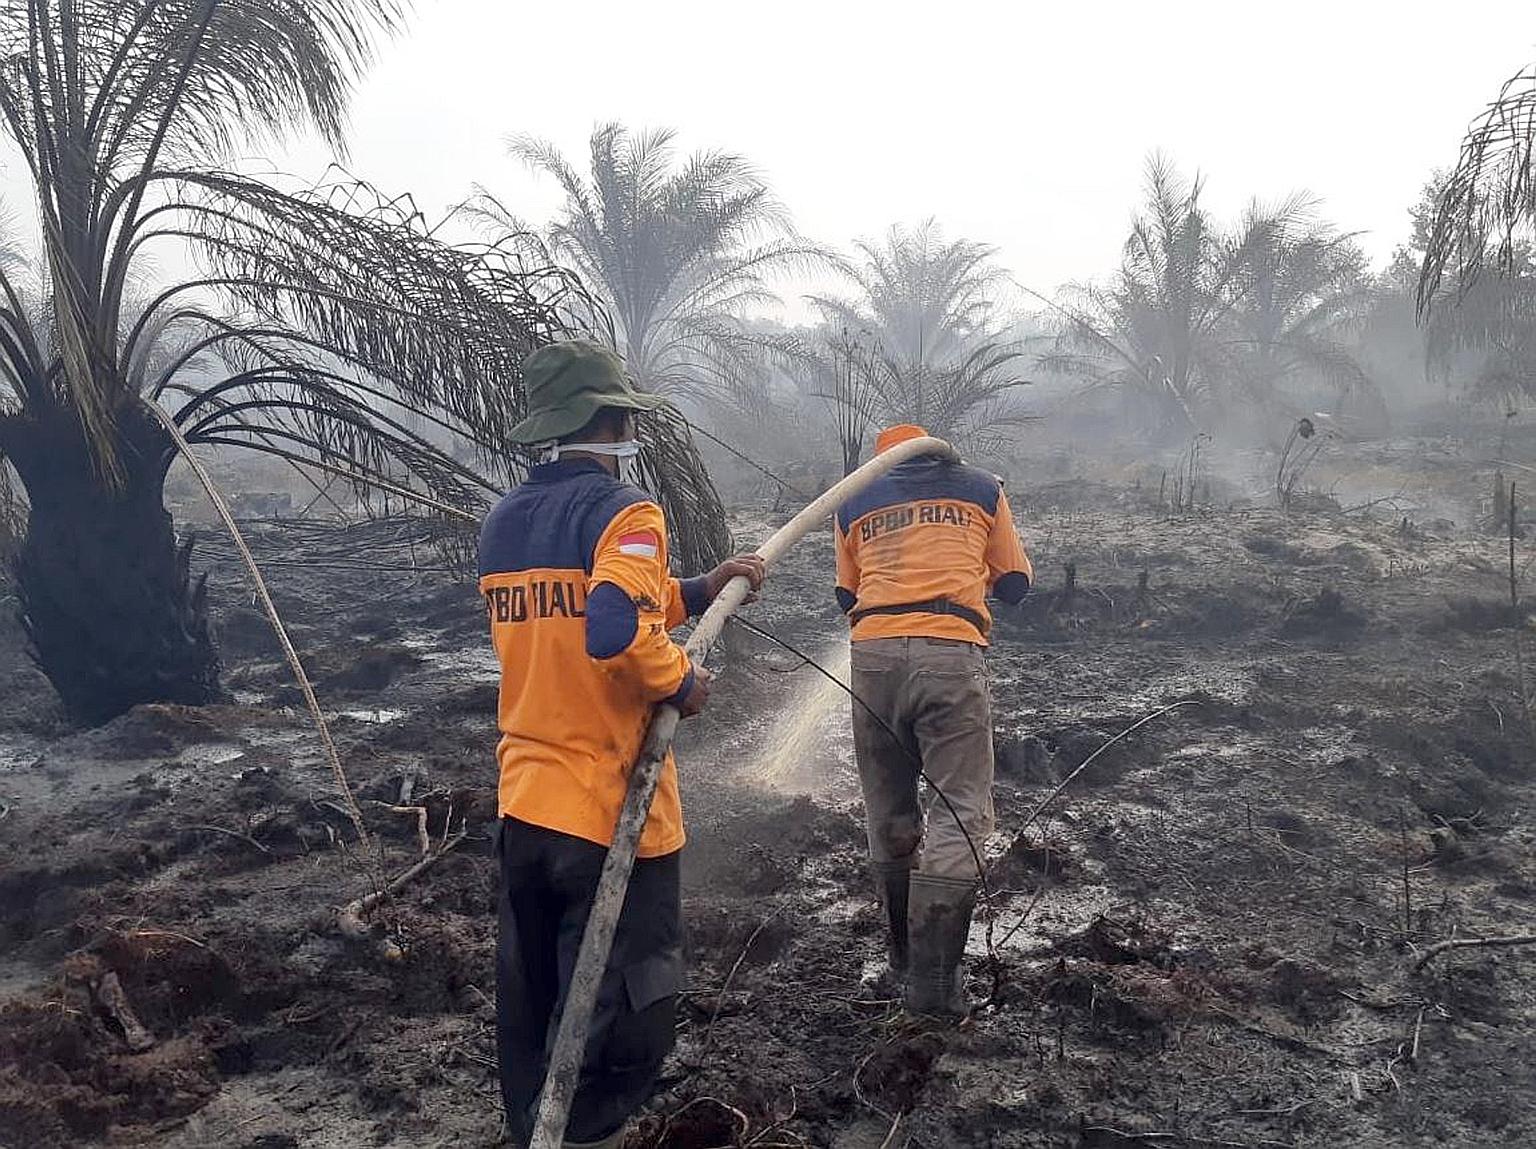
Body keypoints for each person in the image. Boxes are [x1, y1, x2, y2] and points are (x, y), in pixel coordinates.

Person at [479, 340, 765, 1148]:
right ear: (610, 420)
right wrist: (682, 681)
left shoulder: (502, 524)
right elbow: (611, 630)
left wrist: (698, 592)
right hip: (608, 812)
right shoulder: (628, 512)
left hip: (526, 803)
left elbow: (577, 614)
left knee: (535, 1007)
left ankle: (536, 1131)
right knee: (621, 1012)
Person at [833, 423, 1033, 1016]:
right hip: (950, 655)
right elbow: (1017, 584)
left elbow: (847, 597)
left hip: (871, 660)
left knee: (889, 809)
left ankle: (901, 963)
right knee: (960, 812)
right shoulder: (980, 488)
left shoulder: (852, 500)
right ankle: (933, 988)